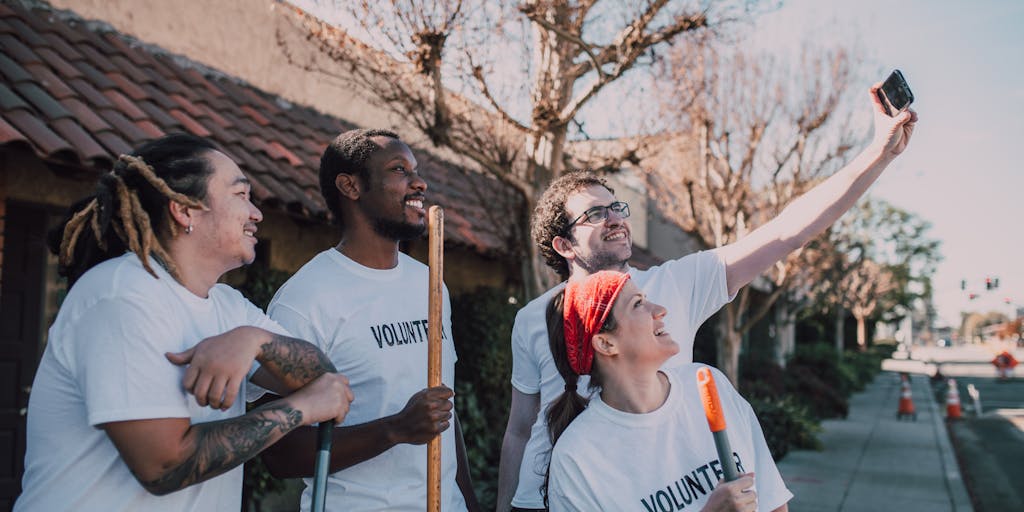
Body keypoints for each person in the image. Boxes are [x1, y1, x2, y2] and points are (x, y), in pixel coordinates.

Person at [497, 84, 917, 510]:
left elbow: (788, 231)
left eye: (617, 207)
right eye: (595, 214)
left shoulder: (676, 284)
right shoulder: (534, 319)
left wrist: (878, 153)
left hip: (670, 493)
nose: (616, 219)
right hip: (549, 499)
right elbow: (519, 430)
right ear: (564, 246)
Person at [14, 133, 353, 511]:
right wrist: (300, 410)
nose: (256, 213)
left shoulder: (228, 306)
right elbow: (163, 466)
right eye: (241, 195)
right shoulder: (122, 296)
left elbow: (323, 378)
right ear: (184, 210)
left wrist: (256, 340)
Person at [261, 128, 480, 511]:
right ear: (350, 186)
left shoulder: (430, 283)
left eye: (416, 170)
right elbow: (277, 453)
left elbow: (442, 412)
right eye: (399, 170)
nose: (420, 183)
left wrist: (469, 502)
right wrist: (394, 430)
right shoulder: (306, 301)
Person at [544, 271, 791, 511]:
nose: (660, 310)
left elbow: (772, 500)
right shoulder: (576, 459)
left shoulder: (706, 384)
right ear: (606, 343)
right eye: (638, 304)